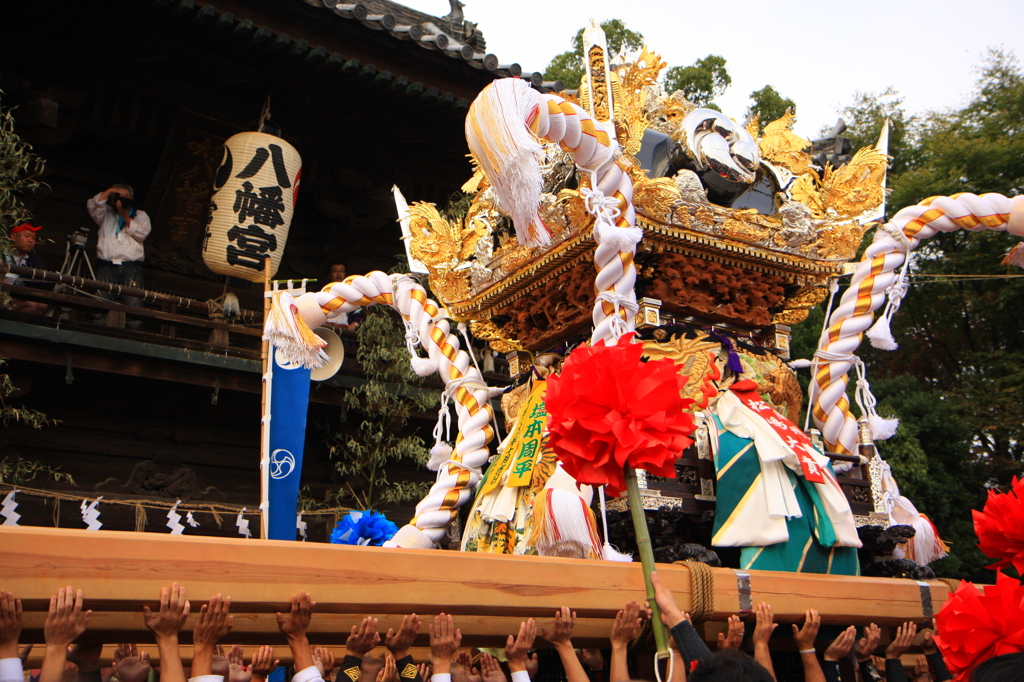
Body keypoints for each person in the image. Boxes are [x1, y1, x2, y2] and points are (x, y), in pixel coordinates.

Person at [86, 184, 151, 315]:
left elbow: (142, 234)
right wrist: (110, 191)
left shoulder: (140, 215)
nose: (120, 201)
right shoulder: (106, 214)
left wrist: (125, 215)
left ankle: (133, 332)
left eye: (125, 198)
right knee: (101, 303)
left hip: (131, 268)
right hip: (107, 267)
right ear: (112, 200)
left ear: (132, 198)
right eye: (117, 198)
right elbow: (92, 205)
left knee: (134, 304)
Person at [4, 222, 48, 314]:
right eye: (27, 236)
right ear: (13, 237)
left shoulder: (35, 261)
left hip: (20, 299)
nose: (31, 240)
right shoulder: (2, 254)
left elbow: (39, 286)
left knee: (40, 305)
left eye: (33, 238)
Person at [326, 261, 360, 330]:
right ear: (329, 274)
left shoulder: (350, 291)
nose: (339, 274)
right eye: (335, 271)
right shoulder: (321, 290)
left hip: (345, 330)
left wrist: (354, 325)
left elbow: (358, 312)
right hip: (326, 328)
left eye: (341, 271)